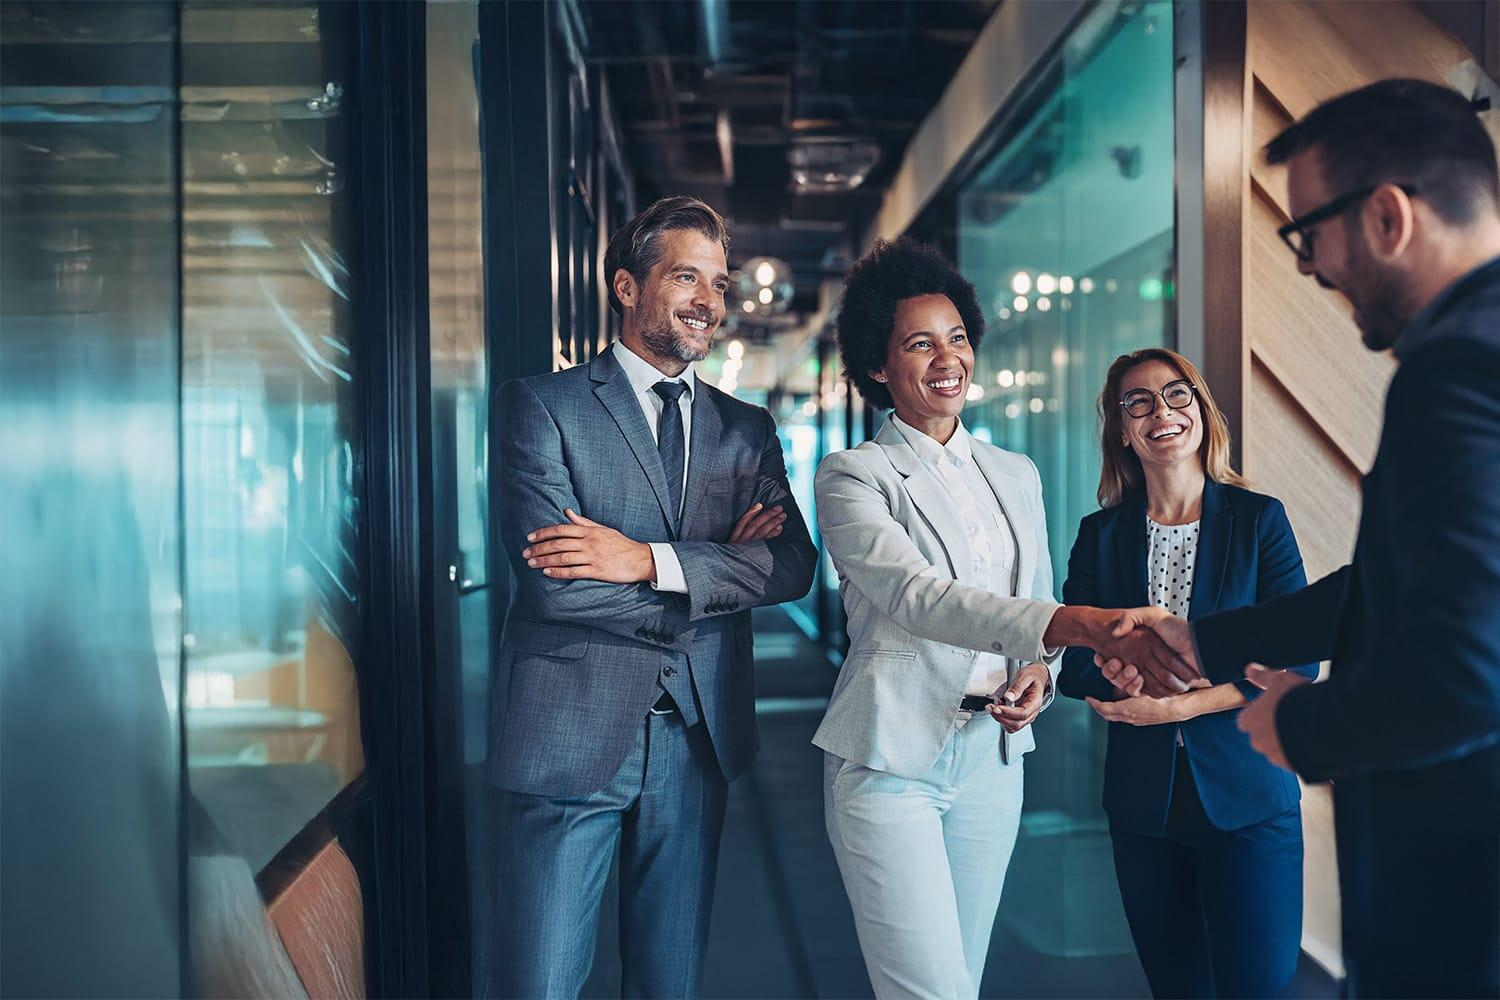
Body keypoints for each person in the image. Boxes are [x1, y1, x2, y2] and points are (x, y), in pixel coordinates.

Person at [1101, 80, 1500, 997]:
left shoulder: (1457, 372)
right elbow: (1402, 585)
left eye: (1307, 233)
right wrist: (1210, 640)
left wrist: (1294, 724)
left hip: (1463, 886)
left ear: (1389, 217)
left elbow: (1466, 665)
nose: (1311, 267)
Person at [812, 237, 1197, 999]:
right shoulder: (854, 475)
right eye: (919, 342)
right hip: (894, 761)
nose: (947, 357)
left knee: (966, 981)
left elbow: (1029, 599)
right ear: (880, 366)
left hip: (992, 760)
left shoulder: (1013, 473)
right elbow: (918, 597)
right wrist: (1080, 626)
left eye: (957, 338)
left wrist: (1037, 676)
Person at [485, 195, 817, 998]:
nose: (709, 300)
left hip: (696, 744)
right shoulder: (542, 407)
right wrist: (715, 574)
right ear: (627, 287)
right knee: (541, 983)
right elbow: (554, 589)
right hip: (569, 733)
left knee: (670, 985)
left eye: (719, 281)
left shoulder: (747, 428)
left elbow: (791, 566)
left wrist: (643, 561)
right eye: (685, 277)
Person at [1058, 348, 1316, 998]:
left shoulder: (1260, 521)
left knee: (1258, 987)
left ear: (1201, 410)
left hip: (1251, 800)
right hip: (1145, 808)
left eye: (1177, 396)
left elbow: (1298, 659)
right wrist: (1120, 676)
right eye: (1138, 402)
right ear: (1121, 428)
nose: (1160, 413)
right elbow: (1072, 656)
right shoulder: (1100, 534)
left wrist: (1176, 705)